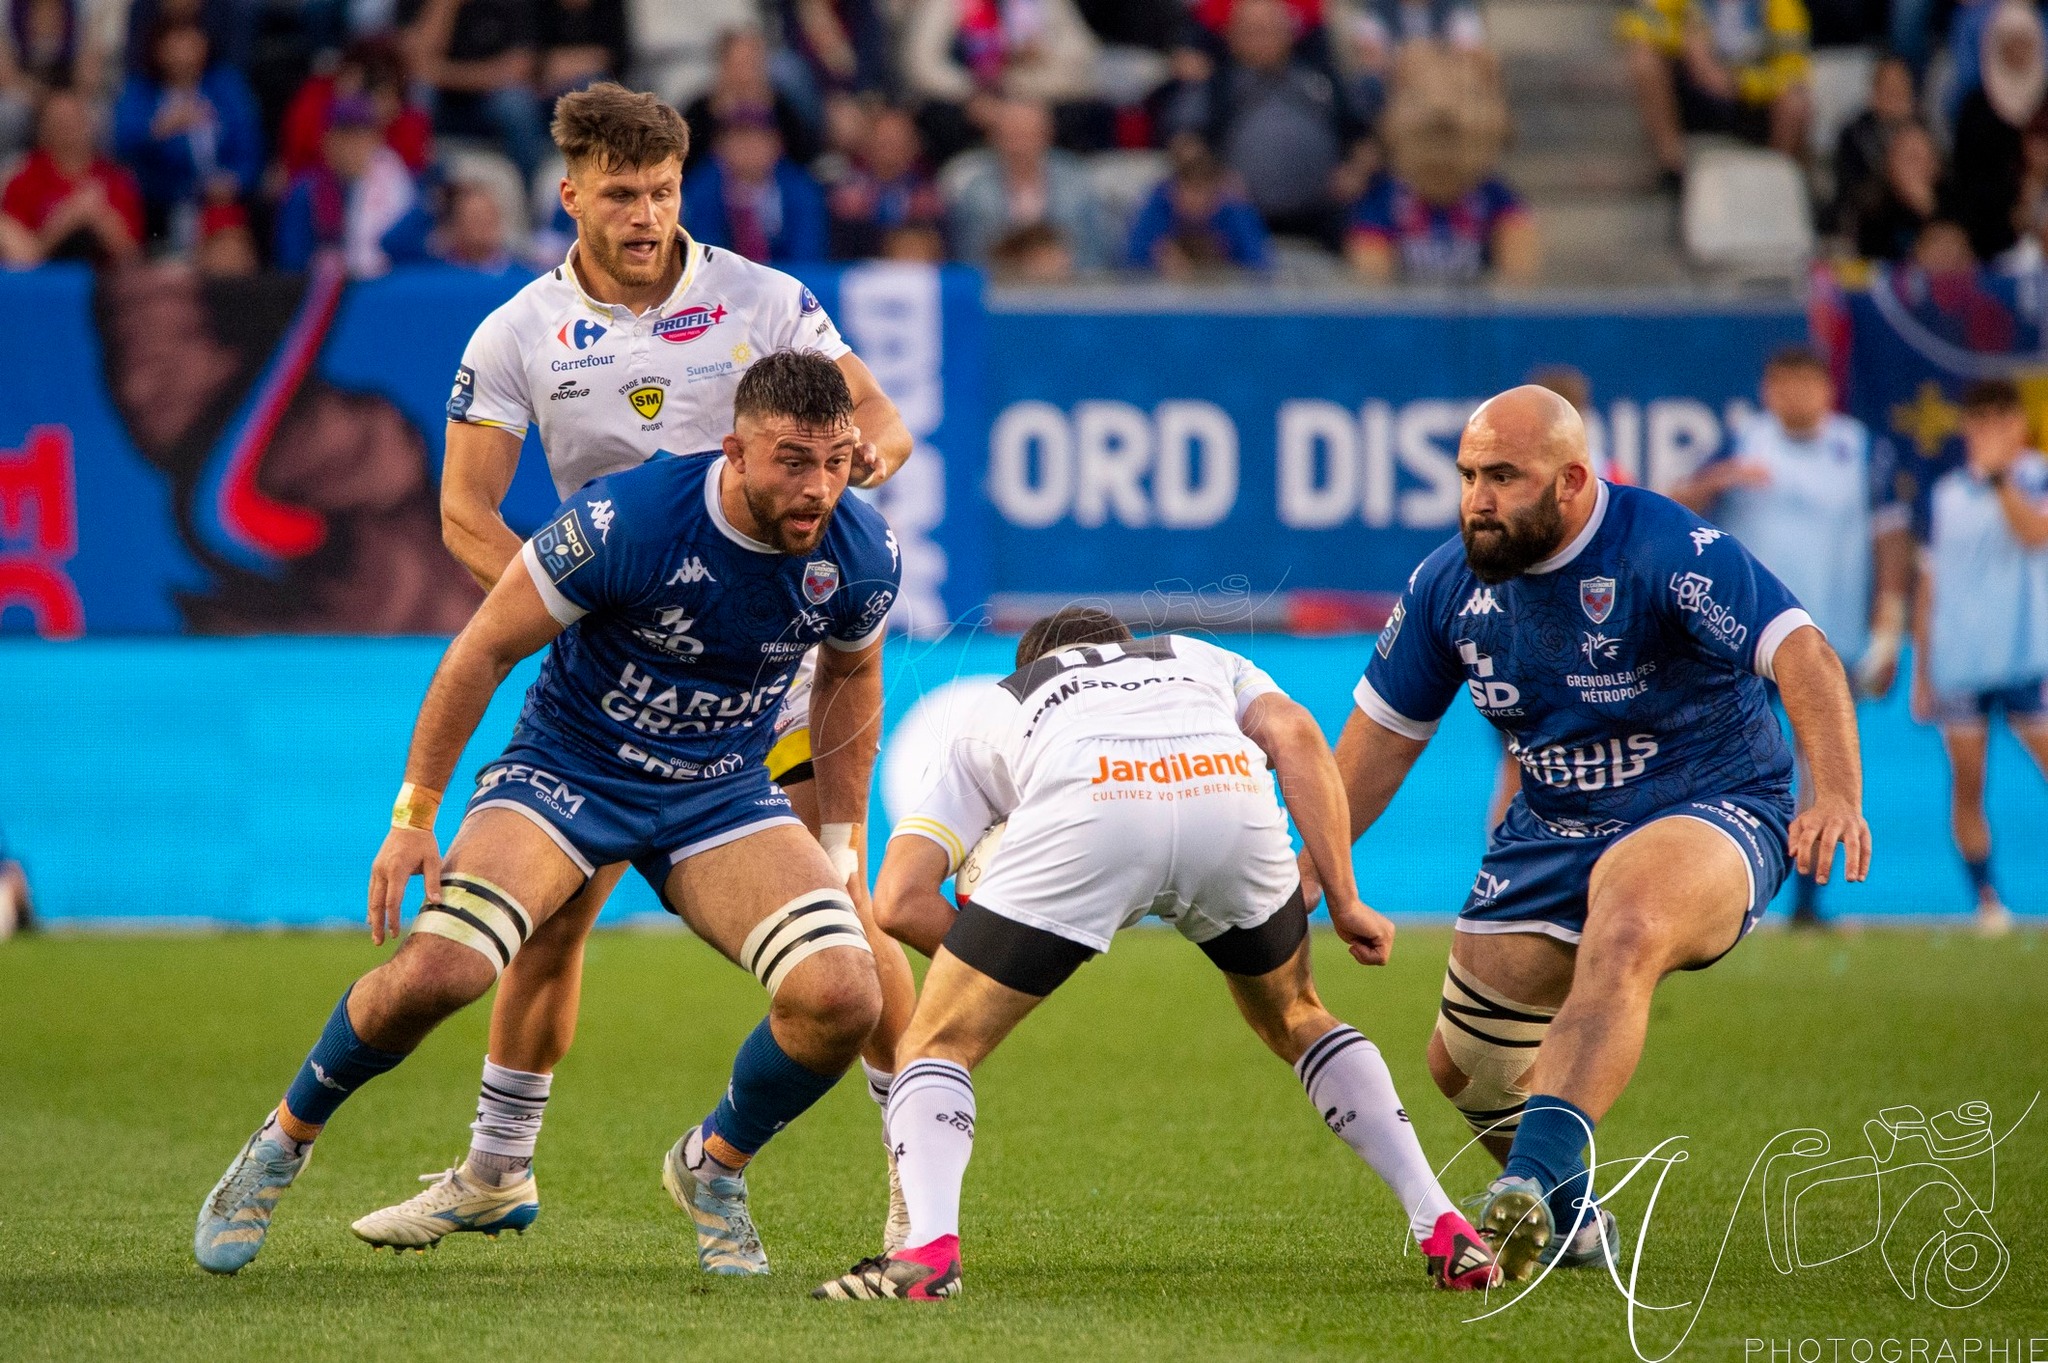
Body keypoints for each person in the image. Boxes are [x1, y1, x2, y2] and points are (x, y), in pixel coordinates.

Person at [193, 351, 903, 1277]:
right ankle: (282, 1142)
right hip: (571, 768)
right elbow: (482, 650)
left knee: (845, 993)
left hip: (718, 789)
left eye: (837, 461)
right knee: (440, 970)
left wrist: (842, 846)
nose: (819, 488)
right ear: (734, 450)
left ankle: (714, 1166)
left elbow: (851, 678)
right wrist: (413, 815)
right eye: (793, 461)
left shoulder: (861, 552)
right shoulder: (629, 520)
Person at [364, 82, 920, 1256]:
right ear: (570, 194)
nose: (647, 215)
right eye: (622, 193)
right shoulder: (518, 332)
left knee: (851, 925)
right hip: (622, 677)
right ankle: (495, 1171)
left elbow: (882, 422)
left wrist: (852, 463)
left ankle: (918, 1186)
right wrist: (573, 612)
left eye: (663, 191)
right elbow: (465, 512)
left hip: (767, 674)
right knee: (550, 927)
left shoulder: (763, 301)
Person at [1329, 385, 1867, 1280]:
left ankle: (1526, 1184)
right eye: (1468, 475)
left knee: (1627, 923)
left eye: (1504, 476)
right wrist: (1311, 866)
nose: (1478, 499)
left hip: (1712, 800)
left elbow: (1801, 649)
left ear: (1573, 481)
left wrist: (1836, 793)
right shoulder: (1447, 585)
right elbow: (1380, 740)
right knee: (1467, 1064)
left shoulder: (1665, 547)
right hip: (1554, 821)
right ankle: (1573, 1219)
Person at [813, 607, 1501, 1300]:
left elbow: (897, 899)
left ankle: (930, 1254)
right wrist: (1345, 897)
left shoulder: (1001, 703)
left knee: (936, 1041)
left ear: (1032, 666)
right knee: (1298, 1014)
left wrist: (1013, 967)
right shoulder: (1200, 657)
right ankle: (1443, 1222)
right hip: (1222, 793)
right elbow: (1296, 735)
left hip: (1089, 812)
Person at [1671, 346, 1895, 927]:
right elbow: (1670, 510)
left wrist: (1889, 626)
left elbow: (1891, 536)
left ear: (1827, 390)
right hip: (1742, 639)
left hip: (1823, 637)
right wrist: (1718, 478)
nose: (1794, 395)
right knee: (1725, 762)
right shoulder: (1742, 442)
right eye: (1783, 384)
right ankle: (1717, 888)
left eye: (1806, 383)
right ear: (1767, 390)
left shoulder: (1861, 449)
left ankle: (1807, 902)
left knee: (1818, 765)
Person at [1911, 378, 2048, 935]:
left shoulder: (2037, 476)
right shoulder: (1945, 493)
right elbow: (1930, 584)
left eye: (2002, 420)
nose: (1991, 431)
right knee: (1968, 783)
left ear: (2020, 425)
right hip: (1962, 663)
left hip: (2026, 659)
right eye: (1981, 420)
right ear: (1967, 427)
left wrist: (2000, 481)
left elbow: (2034, 534)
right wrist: (1923, 672)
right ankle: (1987, 902)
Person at [1618, 0, 1814, 184]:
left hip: (1749, 103)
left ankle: (1773, 181)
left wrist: (1739, 83)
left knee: (1796, 102)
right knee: (1644, 58)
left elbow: (1793, 71)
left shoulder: (1778, 5)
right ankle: (1673, 170)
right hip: (1694, 95)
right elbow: (1636, 26)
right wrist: (1688, 43)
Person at [111, 17, 263, 250]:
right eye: (176, 43)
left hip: (225, 196)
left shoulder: (226, 85)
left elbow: (250, 145)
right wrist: (159, 129)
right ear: (158, 50)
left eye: (191, 41)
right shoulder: (140, 91)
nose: (184, 53)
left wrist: (236, 179)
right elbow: (122, 144)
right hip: (164, 198)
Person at [945, 97, 1113, 270]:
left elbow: (1094, 253)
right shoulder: (975, 192)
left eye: (1028, 134)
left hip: (1070, 280)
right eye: (1011, 135)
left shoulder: (1077, 183)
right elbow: (969, 256)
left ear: (1047, 135)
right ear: (994, 138)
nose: (1019, 144)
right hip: (1001, 280)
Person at [273, 94, 430, 277]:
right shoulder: (306, 191)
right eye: (344, 137)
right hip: (325, 287)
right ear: (327, 140)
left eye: (361, 137)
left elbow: (413, 248)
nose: (352, 148)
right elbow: (291, 262)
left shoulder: (401, 184)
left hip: (388, 284)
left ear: (376, 140)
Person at [0, 88, 142, 268]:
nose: (68, 129)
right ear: (43, 129)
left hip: (104, 277)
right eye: (59, 121)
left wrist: (99, 217)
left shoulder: (115, 178)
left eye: (74, 120)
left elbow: (132, 255)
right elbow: (20, 255)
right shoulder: (24, 179)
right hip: (46, 276)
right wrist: (66, 219)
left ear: (90, 124)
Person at [681, 111, 830, 265]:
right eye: (740, 140)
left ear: (778, 144)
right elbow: (704, 251)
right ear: (719, 146)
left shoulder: (801, 190)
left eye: (760, 139)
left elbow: (807, 254)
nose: (750, 148)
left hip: (786, 274)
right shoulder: (701, 190)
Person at [1124, 140, 1272, 275]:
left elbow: (1259, 260)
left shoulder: (1232, 208)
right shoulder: (1160, 203)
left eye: (1202, 187)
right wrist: (1159, 255)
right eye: (1189, 186)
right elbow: (1132, 255)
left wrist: (1225, 255)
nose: (1196, 198)